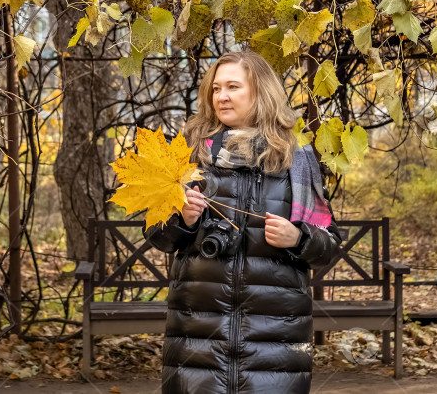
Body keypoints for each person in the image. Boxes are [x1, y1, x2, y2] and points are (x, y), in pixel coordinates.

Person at [143, 51, 343, 393]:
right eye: (216, 88)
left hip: (277, 343)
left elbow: (329, 246)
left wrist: (298, 238)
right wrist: (184, 220)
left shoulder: (297, 162)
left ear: (260, 92)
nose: (221, 96)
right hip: (197, 338)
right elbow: (158, 236)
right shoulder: (190, 155)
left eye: (233, 86)